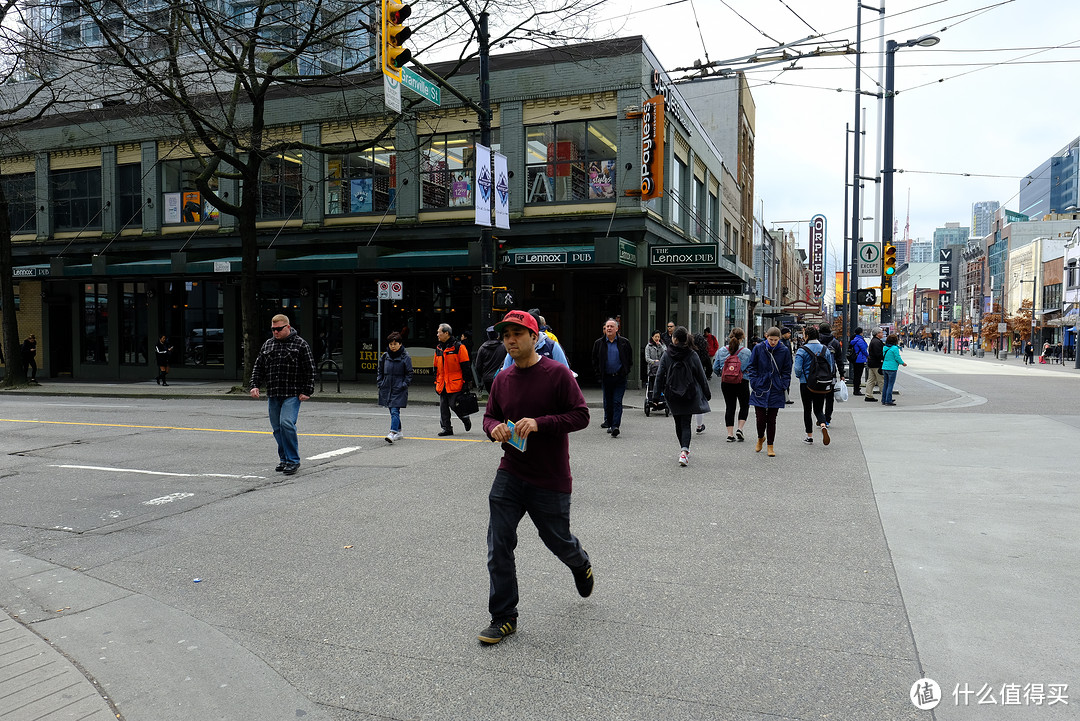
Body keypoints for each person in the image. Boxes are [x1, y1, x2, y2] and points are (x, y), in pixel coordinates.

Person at [479, 309, 592, 645]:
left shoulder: (557, 374)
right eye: (505, 335)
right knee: (499, 543)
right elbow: (489, 417)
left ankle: (579, 562)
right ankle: (503, 617)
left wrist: (541, 422)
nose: (510, 341)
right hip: (511, 472)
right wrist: (493, 429)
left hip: (550, 476)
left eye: (517, 334)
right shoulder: (503, 379)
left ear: (534, 337)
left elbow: (581, 415)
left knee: (557, 540)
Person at [249, 314, 316, 476]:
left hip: (292, 393)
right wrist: (254, 385)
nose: (275, 332)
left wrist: (307, 390)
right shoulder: (268, 344)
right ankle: (284, 458)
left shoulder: (300, 344)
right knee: (277, 429)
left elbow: (310, 369)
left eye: (278, 329)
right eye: (273, 329)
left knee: (286, 423)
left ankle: (293, 460)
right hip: (274, 392)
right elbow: (259, 367)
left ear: (287, 327)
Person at [651, 326, 711, 466]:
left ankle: (683, 449)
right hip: (689, 393)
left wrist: (655, 396)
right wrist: (706, 393)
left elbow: (659, 376)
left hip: (672, 394)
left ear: (675, 339)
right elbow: (701, 376)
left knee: (678, 422)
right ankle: (684, 451)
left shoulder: (667, 354)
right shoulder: (692, 354)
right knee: (686, 423)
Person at [746, 326, 791, 457]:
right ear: (766, 337)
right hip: (760, 386)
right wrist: (754, 382)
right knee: (760, 418)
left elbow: (787, 370)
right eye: (771, 339)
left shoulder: (784, 350)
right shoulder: (759, 348)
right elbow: (752, 366)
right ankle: (761, 438)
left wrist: (784, 384)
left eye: (776, 340)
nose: (773, 342)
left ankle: (770, 445)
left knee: (772, 419)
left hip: (776, 387)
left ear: (779, 339)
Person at [590, 318, 632, 438]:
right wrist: (599, 375)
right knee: (608, 402)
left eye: (611, 326)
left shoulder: (624, 342)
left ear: (617, 329)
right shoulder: (599, 343)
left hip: (619, 377)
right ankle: (609, 422)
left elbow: (629, 359)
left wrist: (625, 371)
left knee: (617, 402)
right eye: (607, 326)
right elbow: (594, 360)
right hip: (606, 377)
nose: (609, 328)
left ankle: (615, 426)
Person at [793, 326, 834, 446]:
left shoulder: (802, 350)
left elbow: (797, 369)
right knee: (818, 409)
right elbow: (830, 367)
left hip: (806, 383)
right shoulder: (824, 349)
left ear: (806, 336)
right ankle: (822, 424)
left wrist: (800, 376)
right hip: (821, 384)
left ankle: (809, 436)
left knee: (807, 409)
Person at [712, 328, 751, 443]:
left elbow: (715, 368)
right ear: (742, 338)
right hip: (742, 381)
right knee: (744, 405)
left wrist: (722, 374)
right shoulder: (747, 352)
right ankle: (740, 428)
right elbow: (752, 367)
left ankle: (730, 434)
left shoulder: (721, 351)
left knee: (730, 407)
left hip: (726, 382)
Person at [434, 323, 473, 436]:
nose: (437, 334)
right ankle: (447, 428)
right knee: (443, 407)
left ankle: (465, 418)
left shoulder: (459, 347)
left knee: (454, 404)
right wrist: (436, 382)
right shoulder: (439, 348)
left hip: (455, 382)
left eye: (439, 332)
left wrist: (466, 382)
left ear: (446, 333)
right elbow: (436, 367)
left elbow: (466, 366)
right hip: (443, 382)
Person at [377, 331, 413, 444]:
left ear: (400, 344)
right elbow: (380, 370)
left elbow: (409, 373)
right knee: (392, 410)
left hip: (399, 388)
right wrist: (380, 382)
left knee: (394, 410)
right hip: (387, 387)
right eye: (391, 344)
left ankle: (392, 433)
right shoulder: (385, 356)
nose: (393, 346)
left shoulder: (405, 357)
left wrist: (404, 384)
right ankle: (399, 431)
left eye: (395, 344)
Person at [818, 323, 845, 425]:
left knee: (818, 396)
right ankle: (827, 418)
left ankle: (820, 417)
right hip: (831, 374)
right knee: (830, 397)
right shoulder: (835, 343)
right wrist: (842, 373)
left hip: (817, 374)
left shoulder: (817, 342)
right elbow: (839, 360)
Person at [472, 326, 508, 393]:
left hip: (487, 378)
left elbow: (478, 366)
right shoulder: (504, 347)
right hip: (501, 376)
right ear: (498, 335)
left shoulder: (482, 348)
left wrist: (483, 375)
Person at [691, 328, 713, 433]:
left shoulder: (689, 353)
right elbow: (709, 368)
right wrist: (707, 376)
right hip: (699, 380)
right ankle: (699, 426)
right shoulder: (704, 354)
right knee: (699, 403)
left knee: (688, 402)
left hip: (688, 379)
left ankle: (686, 423)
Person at [881, 334, 907, 406]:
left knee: (885, 384)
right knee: (890, 385)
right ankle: (888, 400)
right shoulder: (895, 348)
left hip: (885, 367)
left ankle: (884, 399)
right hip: (892, 368)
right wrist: (903, 363)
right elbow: (897, 357)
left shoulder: (885, 347)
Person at [864, 328, 885, 402]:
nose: (883, 334)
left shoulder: (873, 341)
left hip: (871, 363)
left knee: (871, 380)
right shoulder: (877, 342)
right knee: (881, 380)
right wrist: (883, 358)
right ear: (877, 334)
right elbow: (878, 354)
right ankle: (885, 396)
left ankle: (868, 395)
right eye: (881, 332)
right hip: (877, 364)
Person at [848, 327, 868, 396]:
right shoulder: (860, 340)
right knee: (858, 375)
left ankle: (856, 389)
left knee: (856, 374)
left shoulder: (854, 339)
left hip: (855, 359)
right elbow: (864, 350)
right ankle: (857, 390)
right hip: (860, 359)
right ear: (861, 333)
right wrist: (868, 356)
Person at [644, 330, 664, 399]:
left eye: (658, 337)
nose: (657, 338)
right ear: (652, 337)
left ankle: (661, 397)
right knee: (651, 385)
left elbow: (665, 355)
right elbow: (647, 358)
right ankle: (651, 398)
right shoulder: (648, 346)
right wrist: (654, 362)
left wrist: (660, 346)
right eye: (655, 337)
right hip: (652, 369)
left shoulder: (662, 345)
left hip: (660, 369)